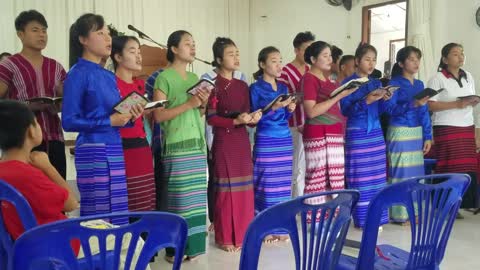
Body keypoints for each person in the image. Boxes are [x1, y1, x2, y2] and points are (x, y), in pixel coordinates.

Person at [62, 13, 143, 225]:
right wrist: (110, 121)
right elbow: (68, 121)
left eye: (108, 33)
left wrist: (131, 116)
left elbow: (116, 115)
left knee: (118, 211)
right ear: (83, 39)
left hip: (115, 147)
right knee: (98, 214)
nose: (108, 38)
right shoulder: (77, 73)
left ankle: (116, 256)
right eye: (100, 33)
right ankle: (98, 256)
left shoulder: (108, 75)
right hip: (92, 150)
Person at [152, 30, 210, 261]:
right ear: (174, 49)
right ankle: (175, 250)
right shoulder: (163, 78)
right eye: (188, 44)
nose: (193, 48)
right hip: (176, 146)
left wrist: (201, 105)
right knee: (178, 202)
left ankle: (193, 247)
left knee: (196, 203)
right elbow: (158, 116)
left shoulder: (196, 79)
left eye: (194, 44)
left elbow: (199, 112)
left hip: (196, 145)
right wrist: (190, 104)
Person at [340, 44, 408, 229]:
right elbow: (346, 110)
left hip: (376, 135)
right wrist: (366, 100)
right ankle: (361, 219)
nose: (371, 64)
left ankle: (378, 217)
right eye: (367, 59)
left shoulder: (377, 82)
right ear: (357, 61)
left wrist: (386, 99)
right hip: (358, 133)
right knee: (360, 176)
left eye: (374, 60)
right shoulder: (348, 84)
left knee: (378, 177)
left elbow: (383, 111)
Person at [205, 37, 261, 252]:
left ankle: (244, 234)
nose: (236, 58)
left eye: (237, 53)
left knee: (244, 190)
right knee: (226, 191)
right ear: (219, 59)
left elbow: (247, 110)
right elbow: (211, 118)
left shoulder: (242, 85)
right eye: (231, 54)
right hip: (224, 141)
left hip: (241, 141)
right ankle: (226, 237)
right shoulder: (213, 86)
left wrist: (252, 118)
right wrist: (235, 121)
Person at [0, 10, 67, 178]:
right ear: (20, 34)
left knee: (58, 192)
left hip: (54, 137)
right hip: (21, 141)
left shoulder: (56, 67)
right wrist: (26, 106)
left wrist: (58, 105)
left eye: (44, 30)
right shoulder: (8, 65)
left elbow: (67, 99)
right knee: (26, 194)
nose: (42, 35)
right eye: (35, 30)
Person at [301, 41, 352, 218]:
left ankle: (332, 217)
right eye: (325, 55)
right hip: (317, 134)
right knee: (317, 177)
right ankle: (313, 219)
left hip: (334, 134)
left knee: (336, 179)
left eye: (330, 55)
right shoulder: (309, 79)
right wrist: (338, 96)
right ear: (313, 59)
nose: (330, 59)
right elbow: (311, 111)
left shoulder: (329, 80)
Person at [427, 43, 479, 218]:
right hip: (446, 127)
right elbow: (430, 105)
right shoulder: (437, 78)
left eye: (462, 53)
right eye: (455, 54)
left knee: (466, 167)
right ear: (445, 59)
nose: (460, 57)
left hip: (467, 127)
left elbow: (470, 102)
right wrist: (457, 104)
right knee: (448, 166)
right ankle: (444, 204)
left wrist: (476, 129)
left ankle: (459, 203)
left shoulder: (469, 76)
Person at [250, 46, 296, 242]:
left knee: (283, 184)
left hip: (284, 139)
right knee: (265, 182)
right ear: (262, 64)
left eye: (280, 60)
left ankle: (280, 225)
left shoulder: (284, 88)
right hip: (267, 139)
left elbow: (284, 116)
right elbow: (254, 117)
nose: (279, 65)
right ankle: (264, 225)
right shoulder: (255, 88)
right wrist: (272, 108)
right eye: (274, 61)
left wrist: (290, 109)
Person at [111, 35, 156, 212]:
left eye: (139, 52)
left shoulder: (140, 84)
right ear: (118, 57)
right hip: (122, 147)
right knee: (129, 199)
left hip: (142, 144)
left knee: (146, 198)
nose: (139, 56)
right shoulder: (111, 83)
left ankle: (145, 238)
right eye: (132, 51)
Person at [387, 46, 432, 224]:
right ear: (401, 63)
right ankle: (399, 215)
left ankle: (414, 213)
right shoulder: (394, 84)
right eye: (412, 59)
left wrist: (427, 135)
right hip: (399, 130)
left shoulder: (420, 84)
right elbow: (389, 110)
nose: (416, 63)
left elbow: (424, 111)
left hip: (416, 132)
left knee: (415, 175)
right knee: (401, 173)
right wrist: (412, 104)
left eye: (417, 59)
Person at [278, 31, 315, 198]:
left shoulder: (311, 70)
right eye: (306, 49)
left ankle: (306, 199)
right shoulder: (285, 71)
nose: (309, 53)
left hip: (310, 123)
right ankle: (297, 201)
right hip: (293, 123)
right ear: (296, 50)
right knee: (296, 166)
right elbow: (281, 98)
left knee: (308, 165)